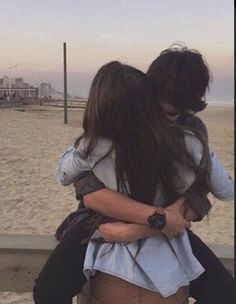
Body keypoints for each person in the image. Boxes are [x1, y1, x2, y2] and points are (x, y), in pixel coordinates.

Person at [33, 49, 234, 304]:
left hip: (165, 218)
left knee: (224, 292)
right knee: (49, 289)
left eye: (181, 112)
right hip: (106, 219)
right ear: (147, 95)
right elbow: (90, 190)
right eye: (164, 110)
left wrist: (140, 230)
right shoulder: (121, 123)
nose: (167, 120)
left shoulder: (190, 130)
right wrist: (157, 220)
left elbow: (202, 187)